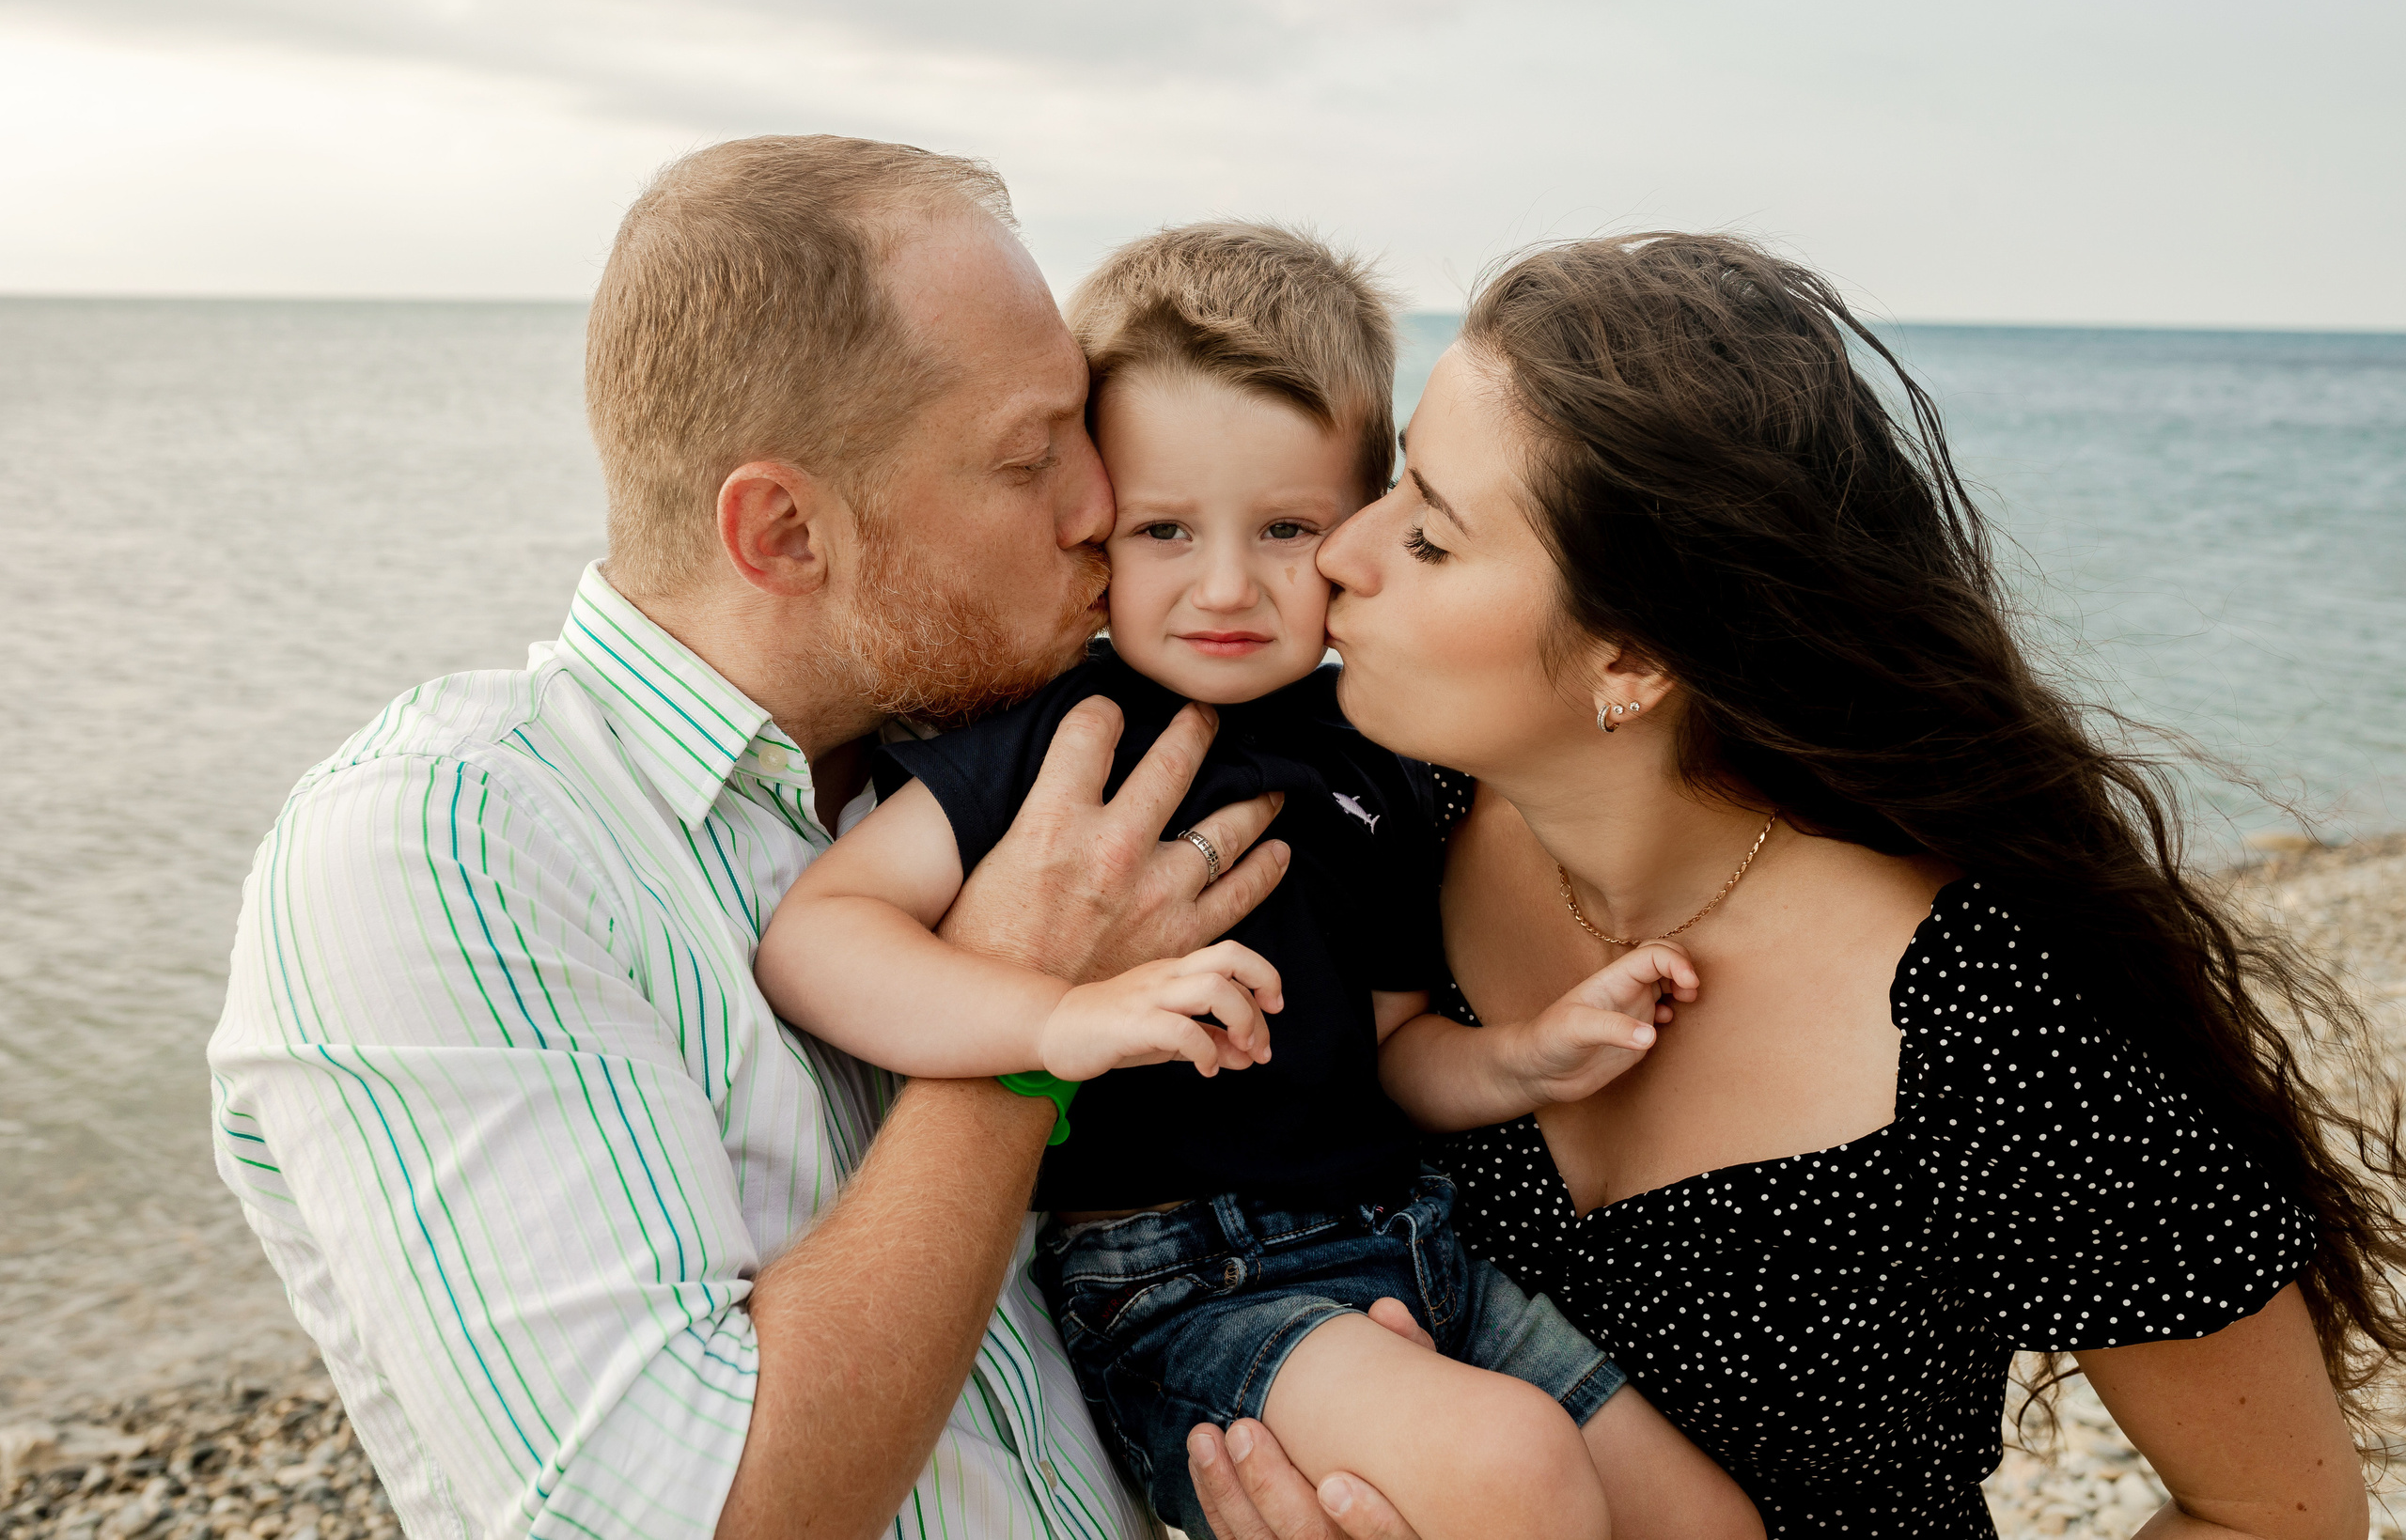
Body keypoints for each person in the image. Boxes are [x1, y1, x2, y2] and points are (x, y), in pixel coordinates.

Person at [1188, 232, 2405, 1538]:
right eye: (1391, 485)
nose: (1340, 552)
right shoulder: (1376, 828)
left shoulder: (1988, 1013)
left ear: (1633, 658)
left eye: (1429, 535)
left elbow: (2278, 1514)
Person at [208, 135, 1303, 1540]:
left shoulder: (1005, 778)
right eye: (1030, 457)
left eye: (1085, 428)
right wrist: (1026, 1019)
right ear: (783, 532)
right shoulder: (440, 851)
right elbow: (692, 1512)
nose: (1102, 505)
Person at [756, 222, 1762, 1540]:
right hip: (1183, 1283)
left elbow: (1393, 1053)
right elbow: (818, 935)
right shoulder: (1059, 732)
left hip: (1412, 1235)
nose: (1226, 586)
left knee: (1709, 1524)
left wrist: (1527, 1058)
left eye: (1287, 527)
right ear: (1094, 526)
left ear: (1364, 527)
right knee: (1509, 1468)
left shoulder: (1381, 749)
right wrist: (1052, 1018)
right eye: (1165, 529)